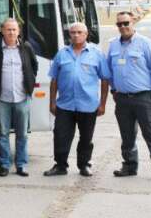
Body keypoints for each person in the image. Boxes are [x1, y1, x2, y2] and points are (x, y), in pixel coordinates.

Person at [107, 11, 151, 182]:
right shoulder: (113, 45)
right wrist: (114, 90)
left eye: (126, 23)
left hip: (144, 98)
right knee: (127, 136)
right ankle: (129, 166)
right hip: (122, 99)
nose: (123, 27)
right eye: (119, 24)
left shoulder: (146, 44)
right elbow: (109, 71)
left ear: (133, 22)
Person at [44, 22, 110, 177]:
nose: (76, 35)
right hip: (65, 105)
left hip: (88, 105)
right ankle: (60, 165)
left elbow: (105, 79)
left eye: (79, 32)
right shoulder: (62, 54)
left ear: (86, 34)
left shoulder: (96, 54)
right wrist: (52, 102)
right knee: (60, 136)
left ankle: (84, 165)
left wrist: (102, 104)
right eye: (73, 32)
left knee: (86, 138)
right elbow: (54, 80)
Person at [0, 18, 38, 177]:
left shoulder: (26, 47)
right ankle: (4, 165)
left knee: (22, 134)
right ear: (2, 30)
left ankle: (21, 165)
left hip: (22, 98)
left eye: (14, 30)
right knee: (3, 134)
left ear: (18, 31)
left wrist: (29, 85)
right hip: (2, 98)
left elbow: (34, 67)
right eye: (8, 29)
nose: (11, 32)